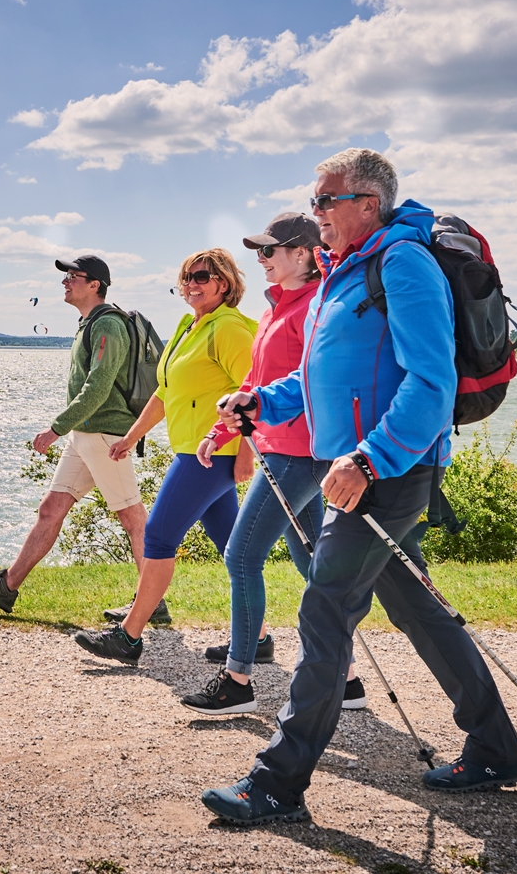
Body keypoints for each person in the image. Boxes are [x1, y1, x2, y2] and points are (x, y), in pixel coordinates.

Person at [200, 148, 517, 827]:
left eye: (325, 200)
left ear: (367, 204)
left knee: (325, 609)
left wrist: (370, 459)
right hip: (359, 467)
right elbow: (323, 380)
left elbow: (431, 384)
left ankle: (277, 783)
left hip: (387, 470)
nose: (315, 211)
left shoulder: (401, 264)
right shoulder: (342, 274)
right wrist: (261, 402)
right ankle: (495, 747)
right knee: (416, 606)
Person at [176, 214, 364, 717]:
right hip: (277, 446)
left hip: (301, 452)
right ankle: (346, 679)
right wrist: (221, 432)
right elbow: (255, 384)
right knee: (309, 562)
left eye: (269, 251)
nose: (261, 261)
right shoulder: (277, 309)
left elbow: (315, 384)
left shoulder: (318, 308)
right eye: (259, 252)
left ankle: (238, 679)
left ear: (302, 253)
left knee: (240, 556)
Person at [72, 248, 255, 664]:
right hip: (195, 449)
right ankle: (256, 636)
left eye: (202, 277)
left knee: (157, 536)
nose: (191, 284)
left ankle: (129, 637)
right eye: (186, 277)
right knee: (230, 545)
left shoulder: (227, 329)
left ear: (224, 283)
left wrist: (245, 454)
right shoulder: (190, 326)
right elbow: (165, 390)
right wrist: (130, 435)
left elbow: (255, 391)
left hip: (212, 453)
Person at [0, 255, 144, 613]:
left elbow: (98, 386)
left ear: (95, 285)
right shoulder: (88, 323)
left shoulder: (108, 325)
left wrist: (56, 428)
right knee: (51, 509)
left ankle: (151, 599)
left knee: (133, 518)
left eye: (73, 276)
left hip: (107, 436)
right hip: (87, 435)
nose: (66, 281)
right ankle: (7, 585)